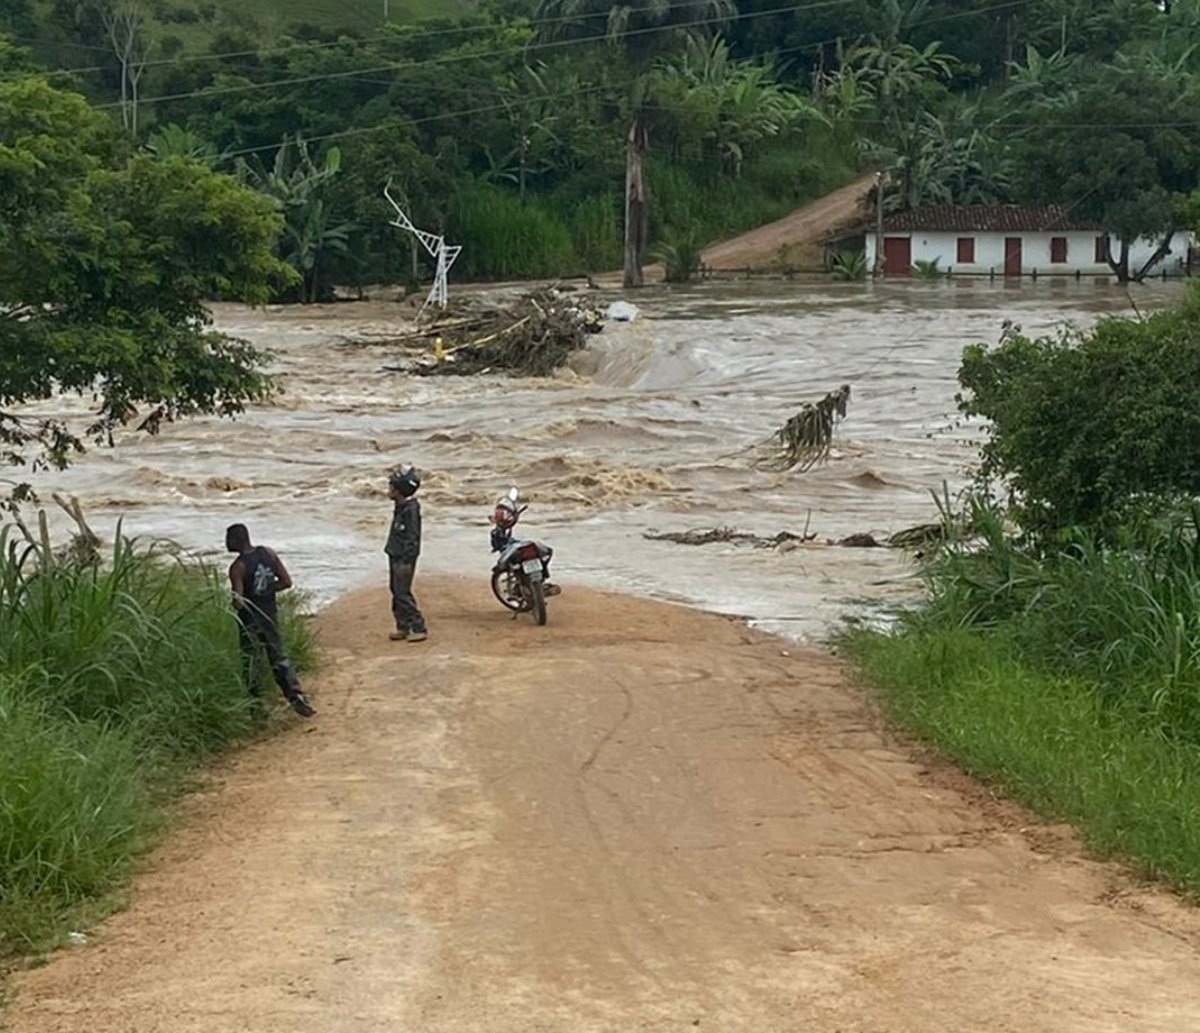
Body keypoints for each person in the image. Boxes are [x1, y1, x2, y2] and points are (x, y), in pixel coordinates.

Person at [226, 523, 315, 718]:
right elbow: (286, 582)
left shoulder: (237, 567)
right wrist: (266, 590)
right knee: (279, 657)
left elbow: (238, 602)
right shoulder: (268, 553)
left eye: (228, 539)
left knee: (252, 663)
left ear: (235, 540)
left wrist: (238, 600)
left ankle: (257, 708)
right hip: (269, 616)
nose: (225, 543)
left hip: (250, 621)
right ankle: (297, 697)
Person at [386, 465, 428, 642]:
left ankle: (418, 626)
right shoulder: (401, 506)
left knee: (402, 593)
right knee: (395, 591)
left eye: (392, 487)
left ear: (400, 490)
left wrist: (406, 559)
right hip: (395, 553)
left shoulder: (410, 510)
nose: (389, 490)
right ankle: (402, 625)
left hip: (404, 557)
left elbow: (412, 537)